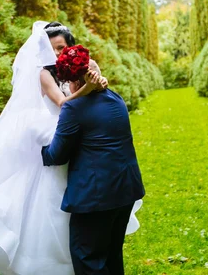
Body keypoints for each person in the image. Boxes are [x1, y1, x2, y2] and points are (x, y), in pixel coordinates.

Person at [0, 21, 140, 275]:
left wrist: (94, 84)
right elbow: (64, 105)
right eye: (52, 49)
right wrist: (90, 89)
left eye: (62, 48)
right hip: (63, 135)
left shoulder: (82, 76)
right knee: (67, 227)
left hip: (78, 147)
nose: (57, 54)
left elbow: (80, 110)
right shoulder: (49, 75)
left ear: (72, 47)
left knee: (90, 246)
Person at [42, 45, 145, 275]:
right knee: (111, 256)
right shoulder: (115, 99)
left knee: (87, 258)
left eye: (69, 83)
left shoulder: (74, 108)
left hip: (95, 198)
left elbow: (55, 155)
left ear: (77, 83)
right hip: (125, 190)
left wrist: (37, 150)